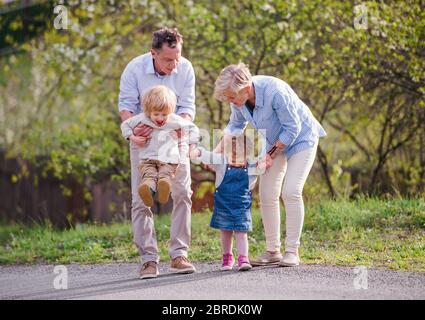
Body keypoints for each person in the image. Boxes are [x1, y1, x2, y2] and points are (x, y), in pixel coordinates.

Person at [213, 62, 326, 267]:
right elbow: (235, 126)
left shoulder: (275, 91)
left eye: (231, 96)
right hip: (274, 140)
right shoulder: (238, 100)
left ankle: (292, 251)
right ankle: (273, 250)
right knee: (266, 193)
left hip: (301, 139)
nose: (229, 101)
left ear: (246, 88)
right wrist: (215, 153)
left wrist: (271, 153)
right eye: (227, 97)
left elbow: (292, 128)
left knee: (291, 191)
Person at [118, 27, 197, 279]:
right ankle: (148, 260)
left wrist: (180, 128)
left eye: (177, 57)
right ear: (153, 53)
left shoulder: (185, 68)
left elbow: (187, 106)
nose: (175, 65)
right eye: (168, 59)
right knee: (141, 199)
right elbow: (126, 107)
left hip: (175, 136)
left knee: (183, 193)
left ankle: (179, 254)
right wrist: (133, 135)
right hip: (144, 141)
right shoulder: (134, 69)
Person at [190, 134, 264, 271]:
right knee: (225, 231)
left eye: (239, 157)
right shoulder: (222, 162)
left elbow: (264, 165)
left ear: (247, 155)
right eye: (232, 157)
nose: (235, 160)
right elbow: (207, 156)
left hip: (241, 206)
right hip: (223, 204)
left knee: (241, 232)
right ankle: (227, 257)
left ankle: (243, 258)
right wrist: (198, 151)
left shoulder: (252, 165)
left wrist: (265, 161)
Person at [121, 85, 199, 208]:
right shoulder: (142, 118)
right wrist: (133, 137)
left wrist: (191, 146)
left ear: (171, 111)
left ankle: (164, 185)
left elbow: (193, 128)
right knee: (148, 176)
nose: (160, 118)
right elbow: (125, 125)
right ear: (148, 111)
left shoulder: (175, 120)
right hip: (148, 159)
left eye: (164, 114)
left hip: (168, 159)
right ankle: (147, 188)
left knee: (165, 174)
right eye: (156, 114)